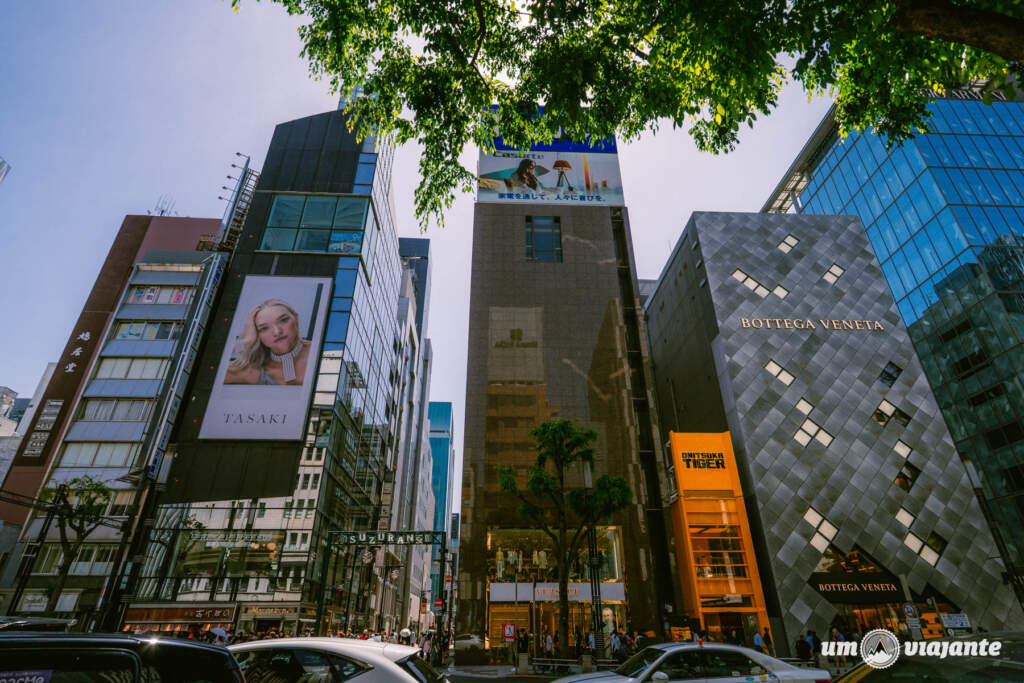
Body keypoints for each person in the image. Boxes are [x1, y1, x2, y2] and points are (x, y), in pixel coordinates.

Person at [224, 299, 312, 385]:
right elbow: (211, 365)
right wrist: (247, 341)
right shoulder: (252, 373)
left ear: (296, 319)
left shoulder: (319, 350)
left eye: (284, 320)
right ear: (257, 334)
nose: (277, 332)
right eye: (264, 328)